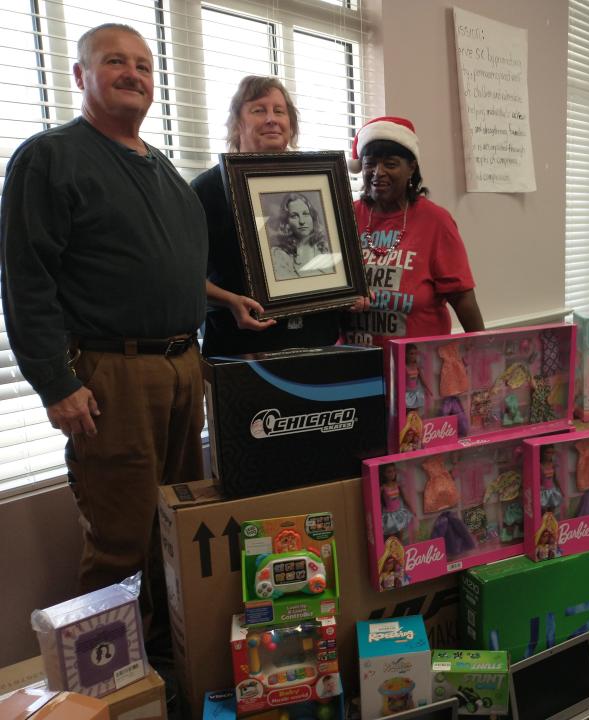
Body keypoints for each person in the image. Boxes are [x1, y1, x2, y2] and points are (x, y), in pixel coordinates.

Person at [0, 24, 207, 649]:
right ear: (80, 76)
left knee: (171, 526)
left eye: (143, 65)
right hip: (112, 373)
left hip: (181, 365)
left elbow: (170, 269)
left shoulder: (162, 168)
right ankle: (108, 681)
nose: (133, 74)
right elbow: (25, 280)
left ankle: (170, 665)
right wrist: (56, 384)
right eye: (114, 61)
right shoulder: (52, 157)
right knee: (120, 537)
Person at [191, 76, 340, 355]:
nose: (271, 119)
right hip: (239, 347)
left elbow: (336, 260)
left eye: (279, 111)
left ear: (291, 124)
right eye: (259, 110)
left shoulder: (319, 182)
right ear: (237, 124)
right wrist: (230, 300)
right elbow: (183, 275)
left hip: (317, 342)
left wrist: (350, 290)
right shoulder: (206, 189)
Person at [341, 116, 484, 350]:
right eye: (370, 163)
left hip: (416, 369)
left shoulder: (436, 221)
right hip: (353, 364)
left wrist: (483, 349)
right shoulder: (345, 215)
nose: (378, 172)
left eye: (390, 163)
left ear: (411, 168)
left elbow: (462, 298)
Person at [267, 191, 332, 280]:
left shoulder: (326, 249)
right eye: (294, 216)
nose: (302, 221)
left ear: (312, 217)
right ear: (286, 222)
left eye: (305, 214)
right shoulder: (279, 255)